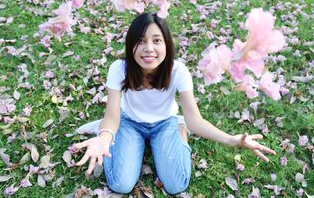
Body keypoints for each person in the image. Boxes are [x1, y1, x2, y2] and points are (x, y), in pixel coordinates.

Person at [74, 13, 276, 195]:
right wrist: (104, 137)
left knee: (176, 185)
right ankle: (108, 134)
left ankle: (180, 131)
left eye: (156, 41)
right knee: (120, 184)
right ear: (131, 45)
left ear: (167, 45)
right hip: (129, 122)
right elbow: (112, 115)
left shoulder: (178, 71)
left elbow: (195, 120)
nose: (149, 49)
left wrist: (232, 140)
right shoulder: (119, 68)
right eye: (141, 41)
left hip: (165, 123)